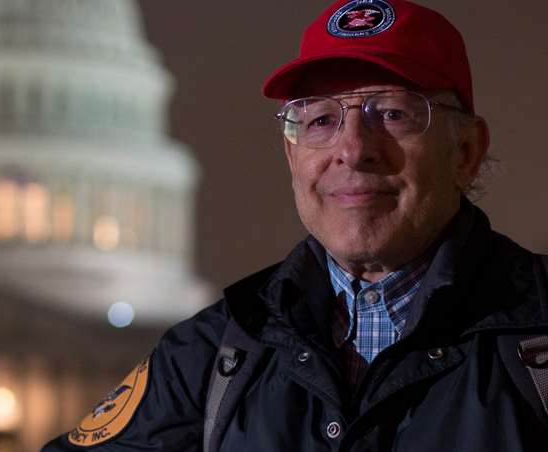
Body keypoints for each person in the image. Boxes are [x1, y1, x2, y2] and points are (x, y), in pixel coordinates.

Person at [43, 0, 548, 450]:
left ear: (466, 152)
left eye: (393, 113)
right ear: (292, 157)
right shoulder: (212, 353)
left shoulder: (535, 340)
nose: (352, 149)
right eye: (321, 120)